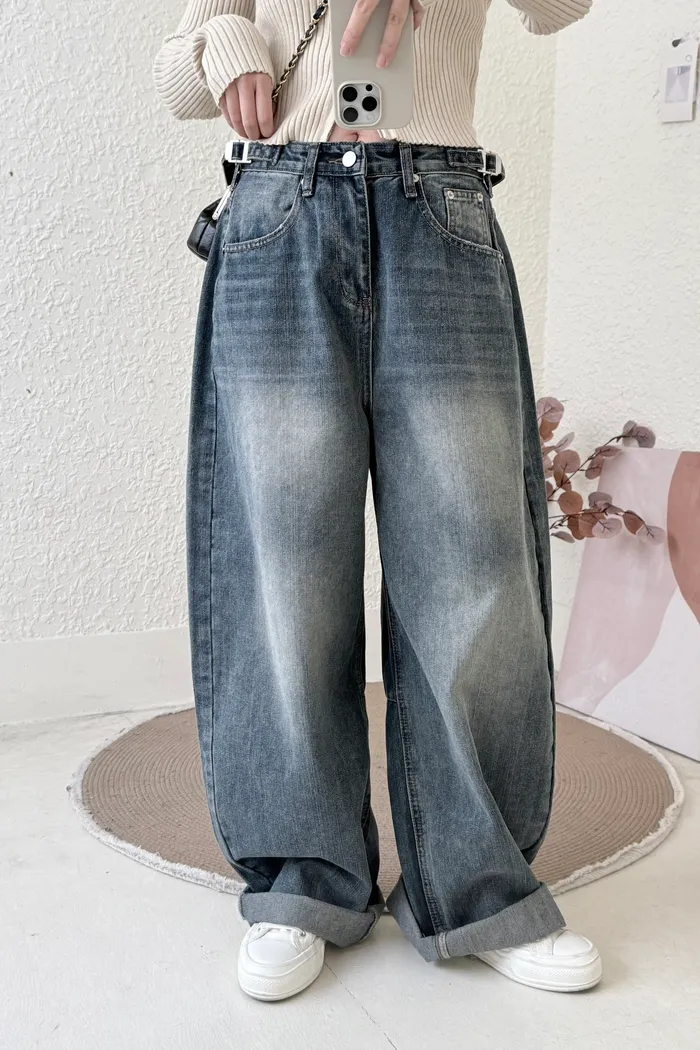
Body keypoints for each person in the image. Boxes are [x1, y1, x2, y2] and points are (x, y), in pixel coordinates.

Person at [152, 0, 602, 1002]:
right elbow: (178, 75)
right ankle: (303, 879)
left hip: (437, 202)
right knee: (283, 570)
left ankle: (478, 888)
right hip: (278, 206)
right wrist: (228, 44)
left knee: (471, 570)